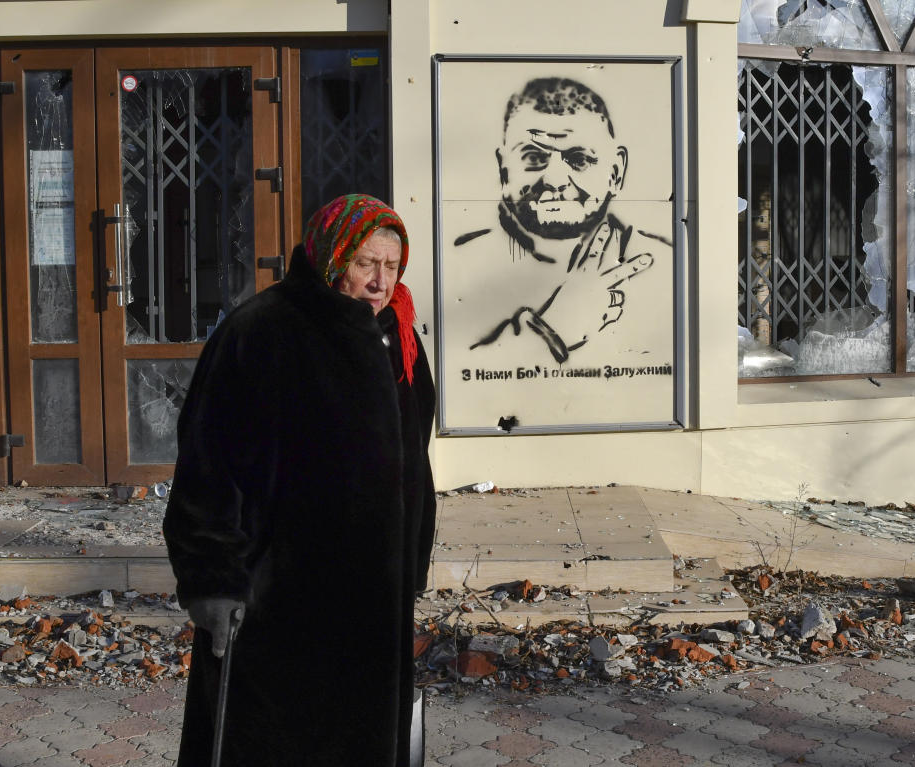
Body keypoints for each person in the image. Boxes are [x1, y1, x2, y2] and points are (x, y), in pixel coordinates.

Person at [163, 194, 436, 766]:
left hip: (372, 597)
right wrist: (213, 580)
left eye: (392, 266)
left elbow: (413, 458)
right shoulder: (262, 331)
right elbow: (209, 466)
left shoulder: (399, 339)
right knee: (271, 741)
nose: (380, 282)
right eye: (366, 263)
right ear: (333, 257)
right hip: (280, 598)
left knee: (360, 737)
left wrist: (411, 558)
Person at [454, 76, 665, 363]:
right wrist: (556, 331)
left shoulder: (666, 264)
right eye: (532, 157)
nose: (553, 180)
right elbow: (449, 376)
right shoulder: (456, 265)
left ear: (616, 172)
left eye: (578, 159)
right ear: (504, 171)